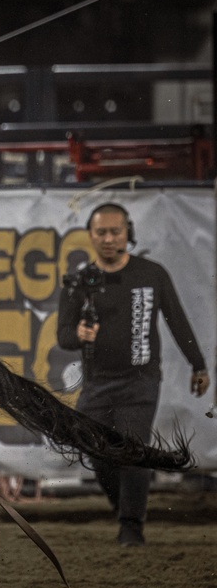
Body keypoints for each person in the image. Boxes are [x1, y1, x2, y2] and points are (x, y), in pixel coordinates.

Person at [57, 202, 210, 547]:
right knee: (96, 451)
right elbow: (63, 336)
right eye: (101, 232)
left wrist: (198, 364)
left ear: (128, 233)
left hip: (140, 380)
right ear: (91, 236)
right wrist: (78, 336)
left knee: (134, 448)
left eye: (115, 232)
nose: (109, 238)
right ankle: (123, 509)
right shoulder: (79, 281)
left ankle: (131, 527)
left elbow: (177, 321)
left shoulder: (151, 274)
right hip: (96, 383)